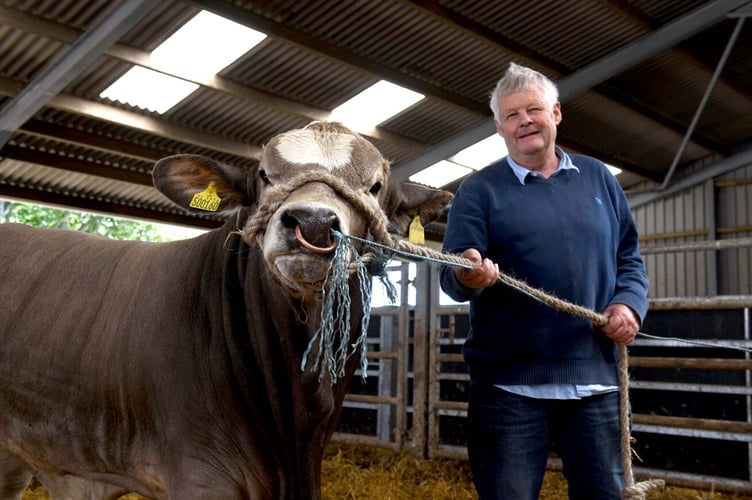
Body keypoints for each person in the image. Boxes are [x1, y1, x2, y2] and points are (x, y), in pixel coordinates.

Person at [439, 62, 649, 500]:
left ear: (555, 113)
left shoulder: (599, 180)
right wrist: (469, 271)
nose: (524, 122)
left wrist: (629, 304)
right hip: (508, 386)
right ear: (499, 127)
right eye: (512, 115)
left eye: (533, 109)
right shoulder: (478, 190)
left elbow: (629, 256)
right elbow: (454, 274)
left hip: (595, 379)